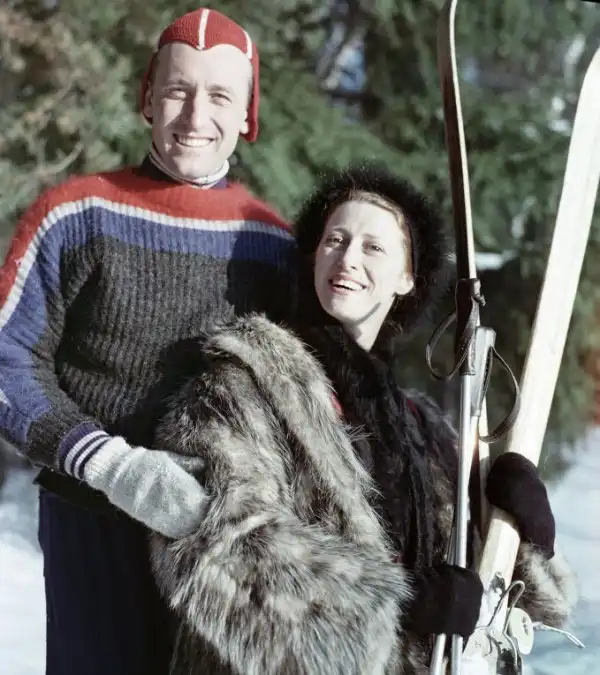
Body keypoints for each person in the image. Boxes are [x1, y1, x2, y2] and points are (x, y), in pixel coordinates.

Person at [148, 163, 577, 674]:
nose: (348, 258)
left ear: (406, 278)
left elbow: (485, 600)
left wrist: (525, 537)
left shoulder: (425, 429)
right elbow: (215, 546)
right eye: (335, 240)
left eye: (373, 247)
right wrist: (394, 607)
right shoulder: (243, 386)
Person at [0, 8, 294, 675]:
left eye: (220, 95)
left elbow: (321, 396)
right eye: (178, 90)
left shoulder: (273, 246)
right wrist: (112, 465)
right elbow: (8, 358)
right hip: (89, 520)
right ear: (147, 98)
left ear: (247, 115)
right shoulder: (75, 215)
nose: (196, 114)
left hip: (218, 536)